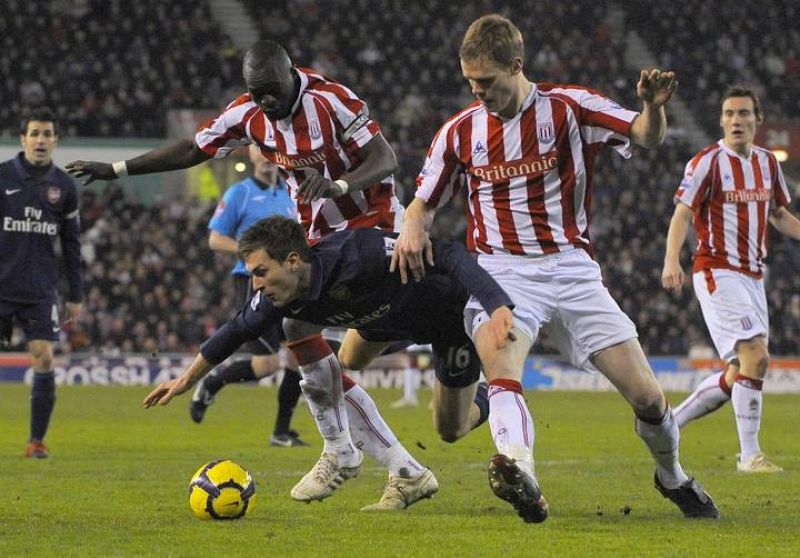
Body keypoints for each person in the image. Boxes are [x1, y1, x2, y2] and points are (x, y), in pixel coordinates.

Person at [66, 39, 426, 508]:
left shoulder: (331, 101)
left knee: (323, 342)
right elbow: (192, 149)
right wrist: (117, 169)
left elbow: (385, 158)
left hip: (371, 229)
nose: (266, 102)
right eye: (257, 93)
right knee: (306, 336)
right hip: (315, 241)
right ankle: (369, 456)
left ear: (292, 72)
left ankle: (366, 451)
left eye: (273, 90)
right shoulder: (246, 114)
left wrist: (339, 184)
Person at [391, 14, 720, 522]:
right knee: (501, 368)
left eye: (487, 82)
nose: (478, 92)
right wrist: (414, 224)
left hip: (572, 271)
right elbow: (423, 201)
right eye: (470, 82)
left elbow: (645, 135)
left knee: (649, 399)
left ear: (516, 66)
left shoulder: (569, 108)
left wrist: (654, 109)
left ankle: (672, 475)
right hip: (501, 274)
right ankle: (519, 470)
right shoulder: (459, 132)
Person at [143, 216, 514, 509]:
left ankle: (487, 396)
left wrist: (496, 303)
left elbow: (449, 254)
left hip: (448, 320)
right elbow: (234, 331)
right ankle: (341, 448)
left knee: (451, 429)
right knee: (344, 357)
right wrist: (185, 381)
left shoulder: (360, 254)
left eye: (260, 272)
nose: (256, 284)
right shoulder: (279, 296)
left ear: (292, 261)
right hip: (384, 322)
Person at [662, 86, 800, 473]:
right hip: (717, 270)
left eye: (743, 113)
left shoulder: (768, 164)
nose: (736, 120)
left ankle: (670, 422)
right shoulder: (706, 162)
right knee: (756, 357)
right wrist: (672, 260)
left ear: (758, 119)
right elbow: (683, 214)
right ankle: (749, 455)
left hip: (753, 276)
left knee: (739, 371)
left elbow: (778, 216)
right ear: (721, 120)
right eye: (729, 114)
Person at [190, 143, 308, 448]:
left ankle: (281, 432)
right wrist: (253, 256)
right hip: (254, 283)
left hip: (292, 284)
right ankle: (213, 382)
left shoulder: (292, 192)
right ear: (251, 154)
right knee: (266, 365)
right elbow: (216, 239)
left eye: (271, 150)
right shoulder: (239, 194)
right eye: (260, 149)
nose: (266, 155)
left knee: (299, 356)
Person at [0, 108, 83, 458]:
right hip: (1, 286)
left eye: (47, 134)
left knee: (44, 357)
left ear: (55, 141)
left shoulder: (64, 186)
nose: (40, 140)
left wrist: (75, 293)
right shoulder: (2, 177)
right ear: (23, 139)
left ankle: (36, 441)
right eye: (34, 133)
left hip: (39, 289)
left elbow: (71, 244)